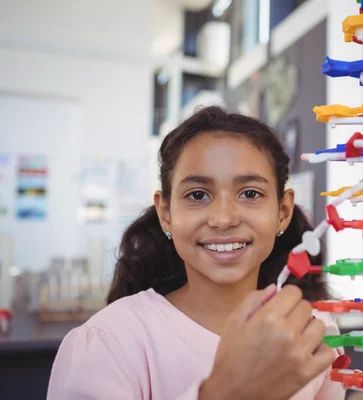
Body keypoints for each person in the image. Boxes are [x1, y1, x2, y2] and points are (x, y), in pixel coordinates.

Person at [47, 106, 345, 400]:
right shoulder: (109, 342)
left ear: (282, 212)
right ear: (166, 214)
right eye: (197, 195)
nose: (223, 219)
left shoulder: (310, 331)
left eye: (250, 193)